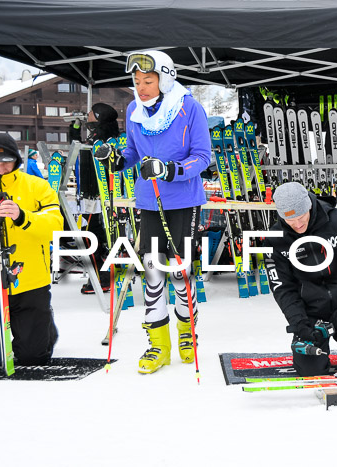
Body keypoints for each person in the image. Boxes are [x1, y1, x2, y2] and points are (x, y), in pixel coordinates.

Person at [93, 50, 212, 374]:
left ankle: (187, 333)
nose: (141, 87)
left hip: (183, 199)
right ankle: (157, 343)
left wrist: (170, 169)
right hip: (148, 200)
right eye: (137, 81)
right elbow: (132, 152)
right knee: (152, 270)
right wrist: (117, 160)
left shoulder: (190, 107)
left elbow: (203, 156)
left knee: (178, 270)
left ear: (166, 77)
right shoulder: (134, 110)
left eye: (148, 80)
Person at [264, 182, 337, 376]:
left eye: (301, 217)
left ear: (308, 206)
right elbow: (282, 287)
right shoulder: (275, 240)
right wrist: (299, 323)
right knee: (310, 370)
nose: (297, 224)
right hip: (311, 319)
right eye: (290, 220)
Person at [0, 133, 62, 365]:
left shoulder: (37, 186)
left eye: (6, 160)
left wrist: (22, 216)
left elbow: (55, 225)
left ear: (16, 160)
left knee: (33, 357)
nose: (1, 166)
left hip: (30, 278)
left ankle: (46, 326)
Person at [79, 103, 121, 294]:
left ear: (98, 117)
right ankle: (102, 275)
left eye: (90, 115)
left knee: (91, 236)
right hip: (93, 195)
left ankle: (101, 277)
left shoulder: (103, 138)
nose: (86, 118)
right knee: (95, 236)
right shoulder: (96, 135)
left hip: (99, 195)